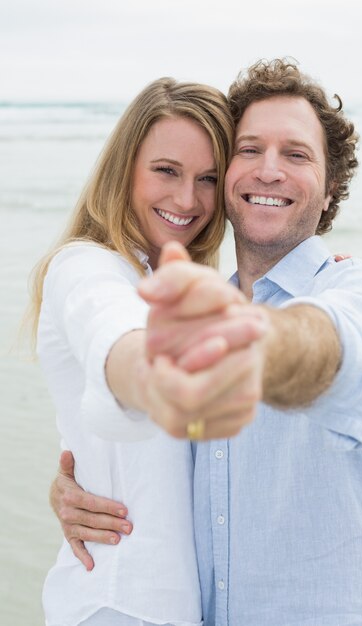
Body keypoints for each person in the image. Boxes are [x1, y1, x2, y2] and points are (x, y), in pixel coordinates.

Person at [50, 59, 362, 625]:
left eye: (296, 154)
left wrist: (252, 341)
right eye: (248, 151)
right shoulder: (187, 311)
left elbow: (332, 346)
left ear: (330, 189)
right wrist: (78, 485)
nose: (269, 170)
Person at [31, 77, 268, 626]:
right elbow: (114, 335)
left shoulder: (176, 282)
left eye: (207, 179)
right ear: (124, 168)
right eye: (166, 170)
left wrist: (322, 287)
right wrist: (157, 379)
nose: (187, 200)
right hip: (121, 604)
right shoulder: (85, 267)